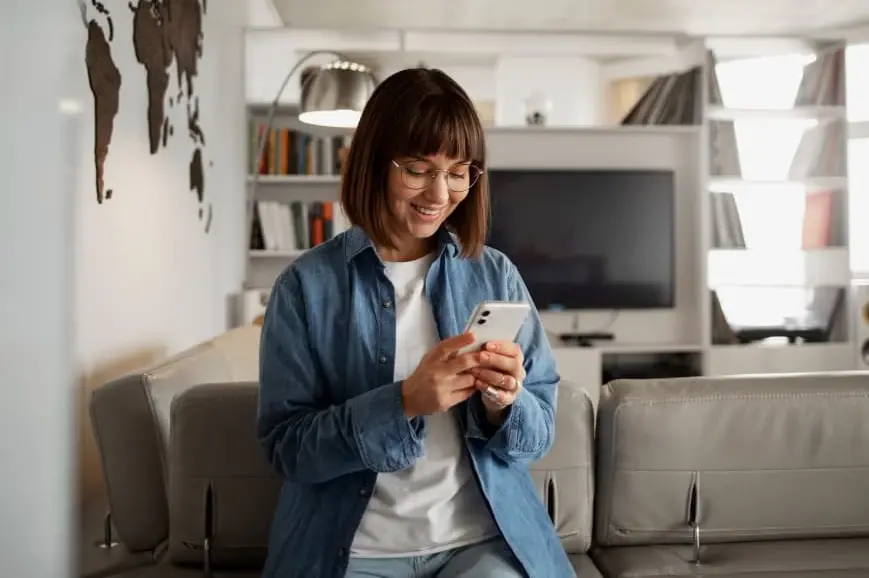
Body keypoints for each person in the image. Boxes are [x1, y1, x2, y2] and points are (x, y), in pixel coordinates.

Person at [256, 67, 575, 578]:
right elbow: (288, 450)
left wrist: (505, 404)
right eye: (418, 169)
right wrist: (404, 401)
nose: (439, 193)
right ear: (374, 162)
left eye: (458, 171)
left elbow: (537, 437)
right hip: (354, 551)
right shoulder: (306, 286)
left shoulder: (495, 274)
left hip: (479, 542)